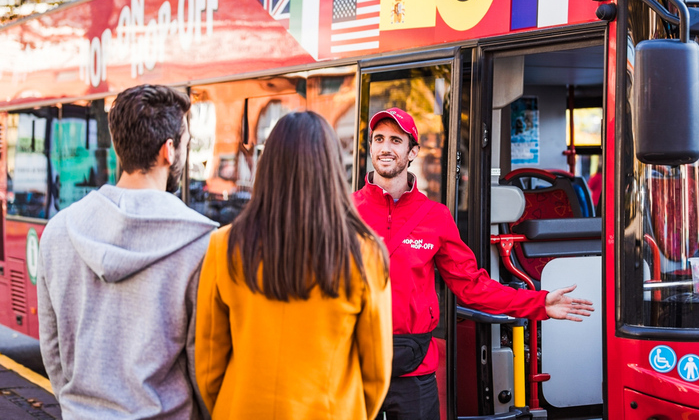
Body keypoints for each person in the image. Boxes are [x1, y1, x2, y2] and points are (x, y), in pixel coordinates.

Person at [353, 108, 594, 420]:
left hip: (414, 369)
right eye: (379, 139)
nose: (385, 148)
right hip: (355, 363)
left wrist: (539, 302)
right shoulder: (346, 211)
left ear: (412, 152)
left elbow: (472, 286)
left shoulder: (434, 217)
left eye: (395, 140)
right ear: (370, 147)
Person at [195, 111, 393, 420]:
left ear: (268, 167)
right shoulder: (364, 253)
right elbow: (377, 372)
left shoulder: (224, 246)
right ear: (332, 170)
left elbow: (209, 364)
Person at [37, 85, 219, 419]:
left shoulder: (58, 232)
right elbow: (201, 363)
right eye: (186, 143)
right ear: (169, 151)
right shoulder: (202, 243)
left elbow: (53, 349)